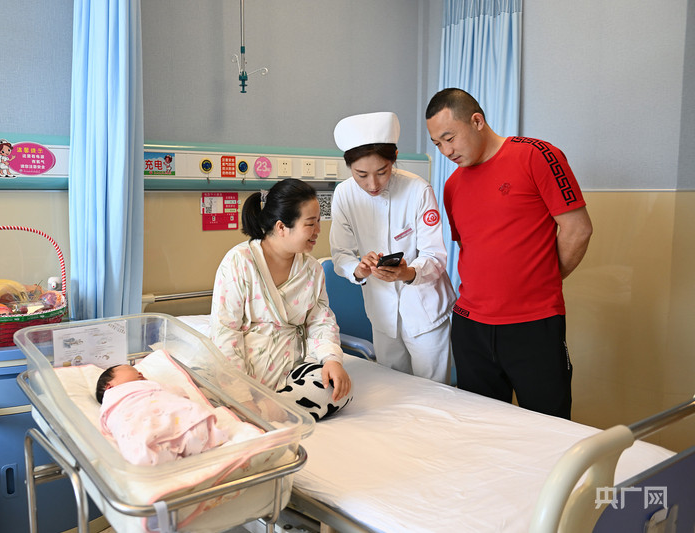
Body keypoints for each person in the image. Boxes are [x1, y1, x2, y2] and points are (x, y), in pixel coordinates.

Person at [425, 88, 593, 419]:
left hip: (532, 324)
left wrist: (542, 279)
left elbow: (578, 230)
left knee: (548, 425)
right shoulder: (453, 185)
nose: (446, 151)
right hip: (471, 325)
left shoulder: (537, 155)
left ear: (477, 121)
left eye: (449, 138)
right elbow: (472, 248)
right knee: (481, 427)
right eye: (437, 144)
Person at [210, 178, 352, 420]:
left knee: (339, 390)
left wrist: (331, 359)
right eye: (310, 223)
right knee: (198, 385)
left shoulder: (311, 270)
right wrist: (241, 396)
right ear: (281, 227)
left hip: (291, 373)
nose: (318, 230)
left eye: (319, 221)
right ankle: (247, 407)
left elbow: (321, 321)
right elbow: (225, 333)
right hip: (243, 373)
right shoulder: (239, 262)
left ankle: (264, 412)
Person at [330, 111, 456, 383]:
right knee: (393, 389)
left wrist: (407, 272)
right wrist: (359, 269)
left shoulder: (418, 190)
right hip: (382, 313)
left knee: (435, 392)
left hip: (425, 312)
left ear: (394, 158)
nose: (372, 184)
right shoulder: (344, 194)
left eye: (382, 172)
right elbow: (341, 254)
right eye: (361, 174)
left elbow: (434, 255)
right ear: (348, 166)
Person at [96, 364, 228, 466]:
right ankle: (189, 442)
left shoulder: (152, 385)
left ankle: (188, 442)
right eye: (131, 369)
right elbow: (179, 392)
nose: (140, 373)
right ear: (109, 386)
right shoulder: (112, 396)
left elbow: (175, 393)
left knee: (190, 421)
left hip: (171, 416)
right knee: (137, 432)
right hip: (140, 422)